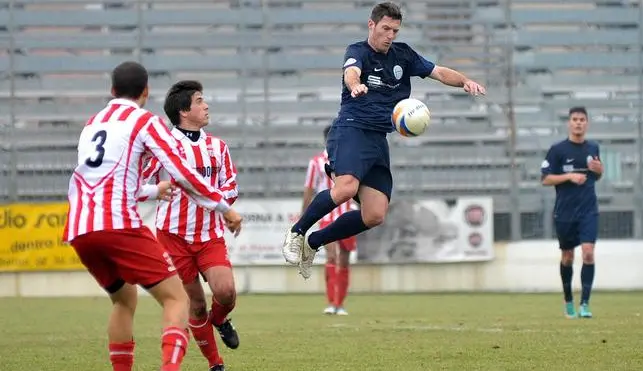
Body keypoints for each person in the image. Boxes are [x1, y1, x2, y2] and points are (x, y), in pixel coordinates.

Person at [281, 2, 486, 279]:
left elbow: (438, 71)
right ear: (372, 25)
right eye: (386, 28)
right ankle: (296, 233)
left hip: (378, 138)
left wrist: (464, 81)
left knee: (375, 215)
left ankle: (313, 242)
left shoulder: (403, 55)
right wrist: (355, 86)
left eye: (395, 30)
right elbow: (350, 72)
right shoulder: (357, 51)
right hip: (351, 129)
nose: (390, 35)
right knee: (345, 188)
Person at [62, 61, 243, 371]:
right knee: (178, 301)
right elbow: (183, 173)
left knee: (124, 301)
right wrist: (224, 207)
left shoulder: (92, 123)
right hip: (122, 223)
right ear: (145, 92)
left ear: (112, 91)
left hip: (80, 225)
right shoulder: (146, 122)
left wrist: (151, 191)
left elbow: (110, 182)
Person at [141, 80, 240, 371]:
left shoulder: (217, 147)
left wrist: (217, 202)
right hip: (172, 237)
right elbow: (144, 181)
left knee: (226, 292)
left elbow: (231, 183)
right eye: (199, 101)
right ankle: (215, 364)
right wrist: (156, 187)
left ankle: (220, 319)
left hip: (209, 234)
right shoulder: (163, 147)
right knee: (194, 305)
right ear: (184, 111)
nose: (206, 105)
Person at [541, 106, 603, 319]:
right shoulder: (557, 150)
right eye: (575, 119)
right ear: (569, 122)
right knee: (567, 257)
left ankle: (585, 304)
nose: (578, 123)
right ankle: (568, 299)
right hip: (565, 212)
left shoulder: (593, 147)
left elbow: (597, 175)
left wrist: (600, 170)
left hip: (588, 210)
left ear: (587, 123)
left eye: (582, 119)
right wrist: (569, 177)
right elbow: (545, 179)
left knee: (588, 253)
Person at [302, 125, 357, 315]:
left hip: (347, 214)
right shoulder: (316, 162)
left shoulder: (350, 159)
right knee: (332, 256)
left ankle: (340, 304)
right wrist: (305, 217)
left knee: (344, 259)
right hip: (327, 216)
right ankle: (331, 302)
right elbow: (309, 189)